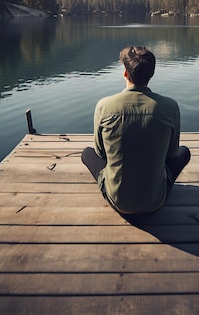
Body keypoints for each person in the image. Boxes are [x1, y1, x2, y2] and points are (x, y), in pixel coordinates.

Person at [81, 45, 190, 216]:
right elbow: (172, 154)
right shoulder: (170, 106)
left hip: (118, 202)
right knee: (184, 153)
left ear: (125, 73)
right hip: (156, 202)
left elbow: (100, 152)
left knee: (87, 153)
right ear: (151, 74)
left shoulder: (104, 106)